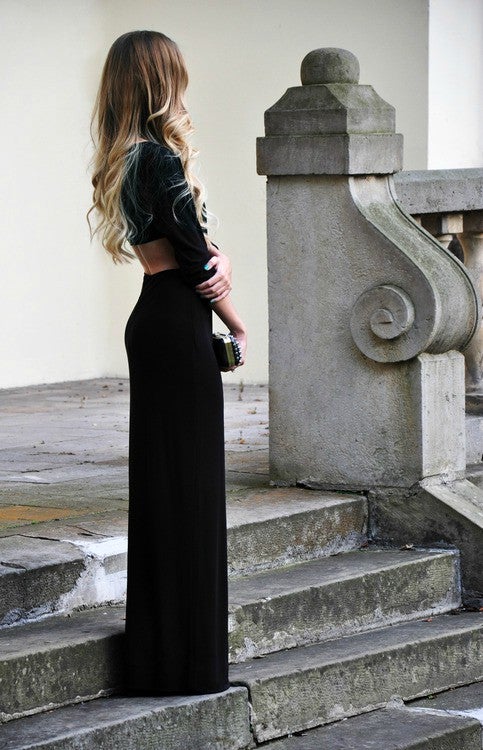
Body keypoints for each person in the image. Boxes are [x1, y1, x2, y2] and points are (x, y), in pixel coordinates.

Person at [88, 30, 247, 696]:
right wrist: (237, 323)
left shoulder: (126, 157)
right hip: (179, 326)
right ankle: (190, 663)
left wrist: (214, 258)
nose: (184, 85)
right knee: (190, 489)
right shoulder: (157, 157)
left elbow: (187, 248)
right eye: (176, 74)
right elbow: (196, 261)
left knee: (165, 487)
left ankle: (160, 659)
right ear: (160, 81)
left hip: (155, 318)